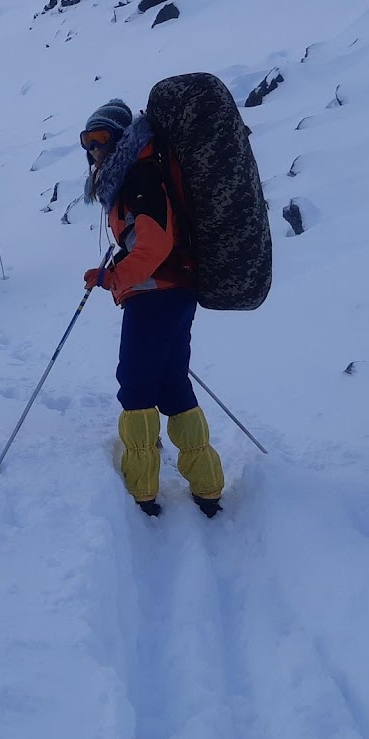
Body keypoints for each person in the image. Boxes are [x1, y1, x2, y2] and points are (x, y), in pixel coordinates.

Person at [80, 99, 224, 518]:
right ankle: (208, 487)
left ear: (124, 138)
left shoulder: (141, 175)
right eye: (87, 142)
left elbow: (154, 244)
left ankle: (141, 490)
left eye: (102, 138)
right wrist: (111, 272)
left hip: (155, 294)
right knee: (172, 384)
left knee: (137, 384)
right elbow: (146, 243)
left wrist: (116, 277)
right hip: (174, 292)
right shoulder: (140, 174)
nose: (94, 150)